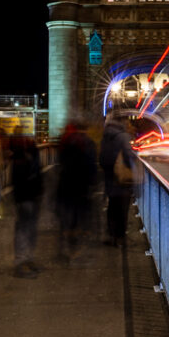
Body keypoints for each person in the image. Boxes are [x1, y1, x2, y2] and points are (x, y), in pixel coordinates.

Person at [56, 120, 97, 262]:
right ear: (86, 128)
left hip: (66, 183)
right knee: (81, 216)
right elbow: (91, 165)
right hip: (81, 184)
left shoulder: (65, 141)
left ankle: (64, 248)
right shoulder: (88, 143)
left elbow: (60, 162)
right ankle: (75, 251)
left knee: (66, 216)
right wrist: (93, 182)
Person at [10, 127, 43, 278]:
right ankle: (21, 263)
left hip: (29, 195)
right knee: (24, 229)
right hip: (26, 195)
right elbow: (25, 175)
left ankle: (26, 259)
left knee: (28, 229)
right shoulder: (22, 153)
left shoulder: (28, 151)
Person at [98, 112, 134, 246]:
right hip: (121, 177)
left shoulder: (106, 135)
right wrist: (134, 164)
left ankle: (111, 234)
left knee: (112, 206)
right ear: (123, 122)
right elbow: (128, 155)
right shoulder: (123, 136)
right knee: (123, 208)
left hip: (109, 176)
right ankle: (120, 237)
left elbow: (101, 157)